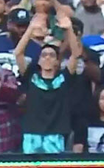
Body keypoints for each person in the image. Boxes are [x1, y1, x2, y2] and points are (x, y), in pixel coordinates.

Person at [15, 13, 82, 154]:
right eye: (44, 55)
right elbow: (18, 53)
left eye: (51, 55)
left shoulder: (64, 78)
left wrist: (69, 29)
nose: (47, 58)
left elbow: (75, 55)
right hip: (32, 133)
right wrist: (30, 29)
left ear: (57, 61)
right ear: (38, 60)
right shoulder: (31, 77)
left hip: (56, 133)